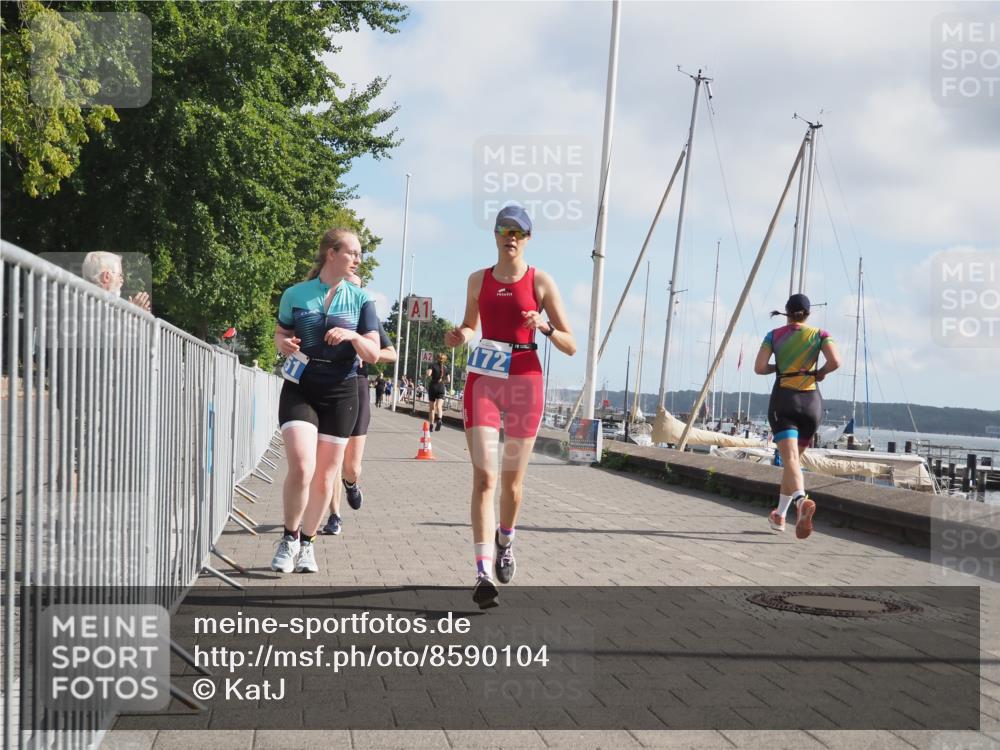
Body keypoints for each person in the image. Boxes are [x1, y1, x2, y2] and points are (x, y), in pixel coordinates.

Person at [445, 205, 576, 609]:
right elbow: (470, 324)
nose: (511, 237)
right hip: (484, 379)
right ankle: (483, 571)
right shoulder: (477, 279)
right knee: (485, 477)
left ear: (528, 238)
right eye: (504, 229)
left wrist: (546, 326)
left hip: (524, 381)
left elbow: (571, 345)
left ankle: (506, 539)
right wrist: (461, 335)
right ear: (496, 235)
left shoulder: (541, 281)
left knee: (512, 483)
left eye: (518, 232)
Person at [271, 229, 381, 574]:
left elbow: (375, 353)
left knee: (324, 477)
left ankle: (308, 543)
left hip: (341, 391)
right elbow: (281, 333)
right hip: (301, 385)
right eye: (353, 252)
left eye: (360, 253)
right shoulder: (295, 294)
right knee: (303, 466)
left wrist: (352, 335)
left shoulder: (362, 300)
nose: (358, 259)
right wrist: (283, 344)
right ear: (331, 253)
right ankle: (288, 538)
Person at [754, 293, 841, 539]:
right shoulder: (820, 335)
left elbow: (759, 368)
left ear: (786, 312)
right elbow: (835, 361)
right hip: (812, 404)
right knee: (792, 464)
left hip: (785, 400)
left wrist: (779, 367)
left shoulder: (773, 336)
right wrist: (820, 372)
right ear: (808, 313)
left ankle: (801, 501)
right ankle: (780, 515)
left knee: (790, 459)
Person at [320, 274, 397, 536]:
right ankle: (334, 515)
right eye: (345, 283)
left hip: (359, 386)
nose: (349, 289)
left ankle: (352, 483)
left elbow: (391, 353)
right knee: (332, 458)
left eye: (354, 285)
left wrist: (365, 349)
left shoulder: (368, 317)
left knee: (350, 465)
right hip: (331, 385)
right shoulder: (326, 311)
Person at [427, 353, 450, 430]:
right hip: (441, 387)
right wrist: (442, 381)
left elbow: (428, 374)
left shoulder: (432, 365)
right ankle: (439, 420)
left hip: (433, 386)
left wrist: (428, 372)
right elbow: (448, 380)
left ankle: (431, 425)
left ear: (437, 358)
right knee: (439, 406)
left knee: (432, 408)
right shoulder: (445, 368)